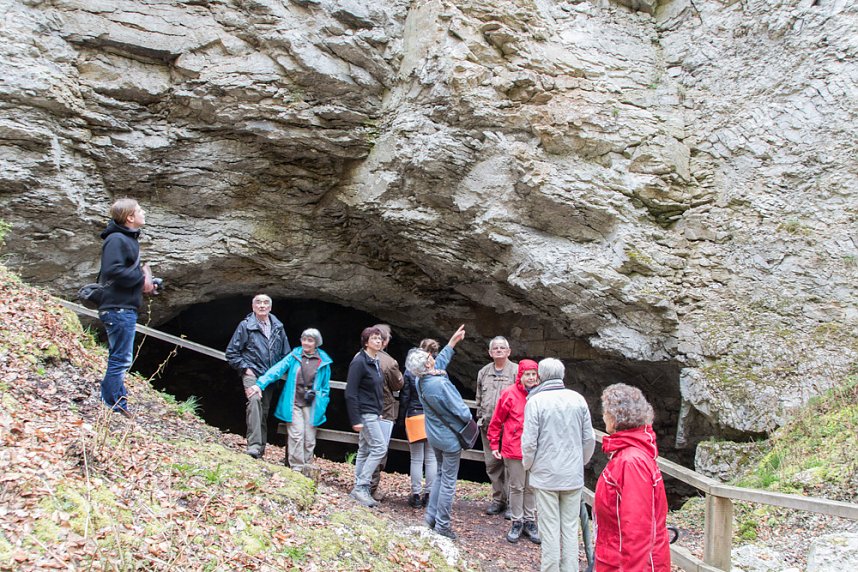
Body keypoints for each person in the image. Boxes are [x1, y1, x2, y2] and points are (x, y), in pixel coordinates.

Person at [522, 358, 595, 572]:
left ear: (541, 376)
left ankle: (551, 568)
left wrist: (529, 465)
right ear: (562, 375)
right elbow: (588, 438)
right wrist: (580, 463)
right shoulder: (578, 399)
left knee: (549, 527)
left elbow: (529, 442)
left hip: (545, 475)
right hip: (572, 475)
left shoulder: (535, 401)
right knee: (571, 528)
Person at [594, 384, 670, 572]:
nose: (603, 416)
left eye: (605, 411)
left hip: (624, 562)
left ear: (615, 417)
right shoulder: (629, 454)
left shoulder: (631, 462)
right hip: (615, 556)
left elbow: (638, 529)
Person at [403, 325, 468, 540]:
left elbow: (436, 366)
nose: (432, 358)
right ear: (427, 363)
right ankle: (442, 524)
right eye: (429, 358)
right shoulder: (439, 383)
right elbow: (462, 411)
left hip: (435, 436)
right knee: (448, 481)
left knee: (440, 476)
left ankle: (430, 517)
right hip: (449, 439)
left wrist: (452, 343)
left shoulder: (420, 380)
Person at [97, 198, 157, 418]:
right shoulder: (116, 239)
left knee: (120, 357)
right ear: (130, 217)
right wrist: (142, 278)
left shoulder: (127, 239)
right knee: (120, 359)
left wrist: (150, 282)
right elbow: (113, 271)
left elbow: (125, 273)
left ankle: (118, 400)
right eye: (139, 210)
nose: (143, 213)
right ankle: (112, 402)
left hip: (124, 307)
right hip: (118, 308)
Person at [250, 328, 331, 475]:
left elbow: (325, 387)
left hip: (313, 405)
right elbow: (277, 370)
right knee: (296, 435)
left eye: (310, 340)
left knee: (309, 438)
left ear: (316, 343)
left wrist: (322, 401)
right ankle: (297, 468)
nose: (306, 343)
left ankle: (308, 467)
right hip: (294, 401)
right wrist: (259, 384)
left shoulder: (323, 361)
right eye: (304, 339)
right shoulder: (294, 356)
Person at [225, 294, 291, 459]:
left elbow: (286, 354)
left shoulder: (278, 327)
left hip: (269, 377)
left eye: (266, 303)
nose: (262, 305)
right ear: (253, 306)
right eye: (259, 303)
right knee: (254, 402)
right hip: (252, 373)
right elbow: (232, 352)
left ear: (270, 307)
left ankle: (259, 449)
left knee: (264, 411)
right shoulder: (245, 326)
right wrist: (245, 368)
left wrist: (280, 373)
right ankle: (254, 446)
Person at [488, 359, 541, 544]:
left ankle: (530, 521)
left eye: (534, 374)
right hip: (514, 447)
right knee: (517, 486)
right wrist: (494, 443)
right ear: (521, 375)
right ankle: (517, 522)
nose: (531, 377)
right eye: (528, 374)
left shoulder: (541, 394)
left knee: (531, 487)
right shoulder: (509, 394)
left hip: (535, 449)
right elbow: (496, 420)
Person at [344, 326, 387, 507]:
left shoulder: (375, 361)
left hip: (373, 411)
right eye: (374, 338)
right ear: (366, 341)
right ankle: (362, 486)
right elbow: (350, 392)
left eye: (380, 338)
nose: (378, 341)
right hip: (365, 412)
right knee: (379, 447)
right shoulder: (360, 362)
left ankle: (359, 487)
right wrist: (355, 418)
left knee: (364, 450)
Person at [475, 336, 518, 516]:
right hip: (488, 427)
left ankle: (511, 503)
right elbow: (479, 398)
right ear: (490, 352)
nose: (499, 350)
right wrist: (480, 416)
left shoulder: (516, 372)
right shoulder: (483, 372)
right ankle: (497, 499)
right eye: (496, 348)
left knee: (510, 466)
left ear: (508, 351)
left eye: (502, 348)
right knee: (492, 465)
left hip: (510, 429)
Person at [398, 338, 440, 508]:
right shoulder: (437, 370)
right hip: (431, 417)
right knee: (431, 458)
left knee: (416, 458)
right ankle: (429, 495)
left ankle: (416, 495)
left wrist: (401, 418)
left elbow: (405, 397)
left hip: (414, 416)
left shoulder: (410, 371)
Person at [369, 323, 404, 501]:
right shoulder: (389, 362)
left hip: (365, 410)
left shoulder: (360, 356)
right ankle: (371, 488)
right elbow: (398, 384)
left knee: (366, 447)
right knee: (379, 449)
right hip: (384, 410)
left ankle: (362, 483)